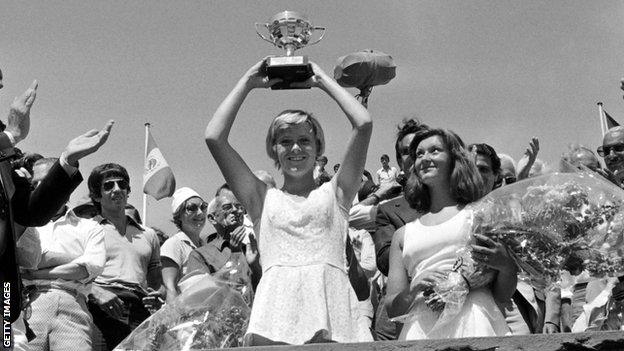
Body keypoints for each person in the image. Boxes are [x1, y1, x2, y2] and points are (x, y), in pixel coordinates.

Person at [204, 59, 373, 344]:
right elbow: (214, 137)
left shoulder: (337, 193)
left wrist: (320, 79)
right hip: (275, 314)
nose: (295, 148)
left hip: (334, 309)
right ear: (274, 149)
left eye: (305, 140)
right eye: (285, 141)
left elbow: (363, 124)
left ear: (318, 147)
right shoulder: (260, 198)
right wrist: (247, 82)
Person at [0, 77, 113, 349]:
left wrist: (68, 161)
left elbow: (32, 213)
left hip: (5, 300)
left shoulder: (5, 157)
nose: (1, 88)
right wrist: (12, 134)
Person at [386, 128, 510, 340]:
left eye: (435, 151)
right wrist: (414, 288)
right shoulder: (402, 235)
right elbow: (392, 308)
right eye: (419, 154)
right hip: (422, 329)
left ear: (454, 159)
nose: (425, 159)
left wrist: (505, 264)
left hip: (475, 320)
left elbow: (503, 294)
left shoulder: (480, 216)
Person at [19, 158, 106, 351]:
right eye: (35, 184)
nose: (41, 188)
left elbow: (88, 268)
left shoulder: (90, 228)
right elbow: (23, 261)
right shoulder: (21, 227)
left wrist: (34, 272)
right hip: (25, 304)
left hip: (73, 304)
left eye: (47, 181)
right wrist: (72, 259)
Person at [86, 163, 164, 351]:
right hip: (100, 310)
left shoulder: (148, 234)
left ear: (129, 190)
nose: (117, 189)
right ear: (97, 195)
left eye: (122, 184)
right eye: (108, 185)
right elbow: (72, 275)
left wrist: (158, 295)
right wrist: (96, 292)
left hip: (139, 311)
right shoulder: (86, 229)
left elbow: (156, 283)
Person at [183, 191, 258, 301]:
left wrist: (255, 266)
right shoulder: (200, 255)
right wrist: (235, 258)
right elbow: (198, 297)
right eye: (227, 207)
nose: (235, 210)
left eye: (239, 206)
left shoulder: (251, 250)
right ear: (213, 218)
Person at [160, 187, 207, 304]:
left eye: (203, 207)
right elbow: (170, 289)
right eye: (192, 208)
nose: (200, 212)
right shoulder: (174, 245)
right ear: (179, 215)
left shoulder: (205, 246)